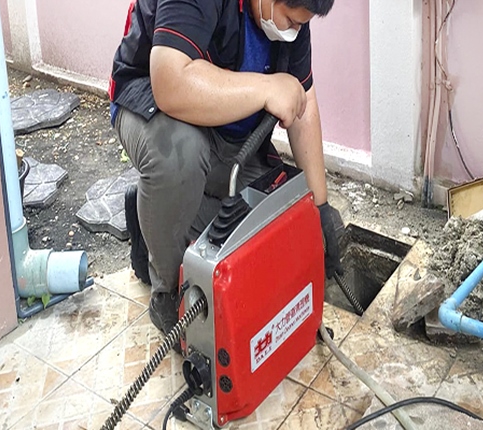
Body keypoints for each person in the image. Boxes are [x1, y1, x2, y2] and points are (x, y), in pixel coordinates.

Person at [108, 0, 344, 350]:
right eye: (291, 21)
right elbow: (170, 83)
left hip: (227, 131)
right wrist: (266, 88)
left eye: (301, 24)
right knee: (181, 157)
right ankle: (168, 291)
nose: (294, 31)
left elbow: (303, 103)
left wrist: (319, 208)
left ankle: (153, 221)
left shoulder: (290, 19)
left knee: (272, 219)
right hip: (156, 110)